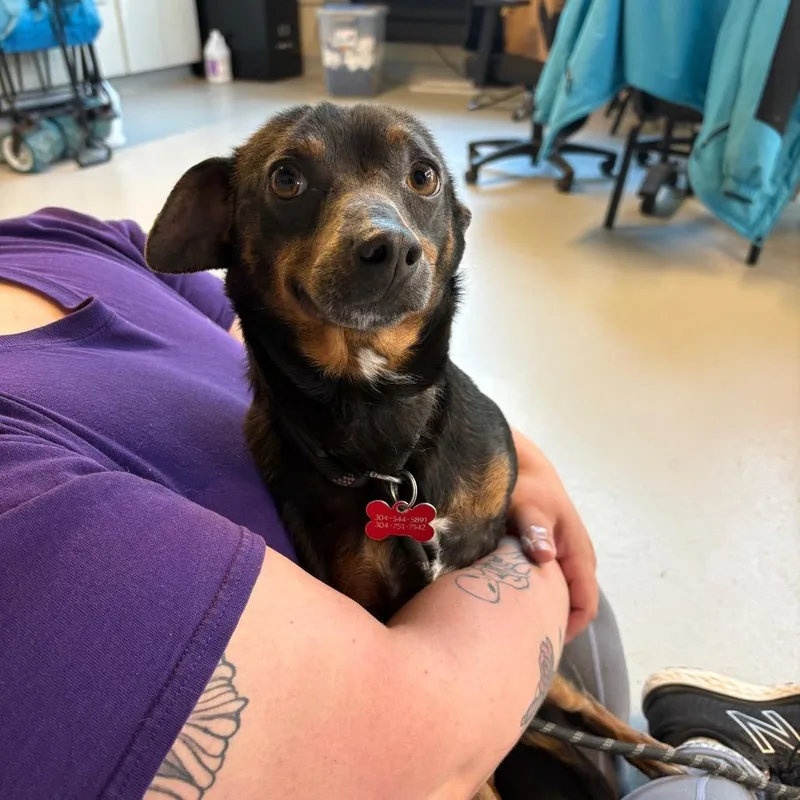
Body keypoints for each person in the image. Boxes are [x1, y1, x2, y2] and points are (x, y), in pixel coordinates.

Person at [0, 209, 796, 800]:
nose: (386, 234)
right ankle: (707, 755)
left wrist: (506, 452)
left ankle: (689, 738)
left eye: (416, 184)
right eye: (289, 183)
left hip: (501, 605)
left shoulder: (68, 238)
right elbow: (422, 747)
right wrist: (518, 555)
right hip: (450, 728)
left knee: (623, 707)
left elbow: (253, 334)